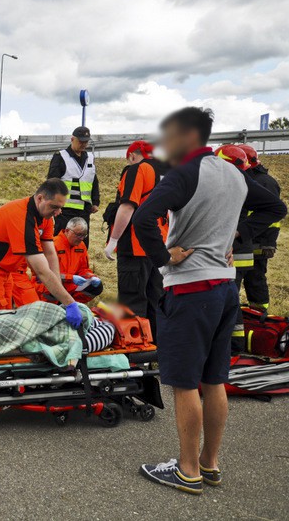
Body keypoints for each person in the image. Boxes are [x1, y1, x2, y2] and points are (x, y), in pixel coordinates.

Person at [134, 107, 285, 494]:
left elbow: (143, 218)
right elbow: (275, 207)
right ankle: (209, 463)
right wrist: (239, 236)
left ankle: (186, 470)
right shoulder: (233, 173)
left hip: (189, 289)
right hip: (223, 287)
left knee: (185, 383)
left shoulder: (183, 174)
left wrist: (166, 258)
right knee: (215, 378)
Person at [0, 178, 83, 329]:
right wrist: (69, 302)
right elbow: (41, 270)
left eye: (61, 208)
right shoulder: (21, 217)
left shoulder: (46, 217)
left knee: (5, 316)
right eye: (54, 207)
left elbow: (51, 254)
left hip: (5, 269)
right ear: (40, 198)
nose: (58, 212)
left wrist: (59, 289)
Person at [103, 140, 167, 341]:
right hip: (159, 247)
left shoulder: (137, 170)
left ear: (132, 155)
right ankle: (157, 348)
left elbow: (127, 207)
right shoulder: (167, 172)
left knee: (132, 302)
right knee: (156, 301)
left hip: (135, 246)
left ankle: (136, 356)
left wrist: (113, 241)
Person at [214, 144, 254, 353]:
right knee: (232, 299)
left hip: (233, 252)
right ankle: (234, 344)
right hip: (241, 250)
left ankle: (234, 345)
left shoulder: (235, 184)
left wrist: (236, 233)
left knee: (230, 301)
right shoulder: (244, 182)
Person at [239, 144, 281, 312]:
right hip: (253, 238)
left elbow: (269, 215)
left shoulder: (262, 182)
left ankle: (259, 315)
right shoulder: (259, 179)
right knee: (251, 278)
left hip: (258, 240)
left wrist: (266, 242)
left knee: (255, 279)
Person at [47, 126, 99, 246]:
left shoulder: (90, 158)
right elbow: (52, 183)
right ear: (72, 139)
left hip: (84, 210)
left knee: (82, 243)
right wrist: (55, 206)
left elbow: (93, 181)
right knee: (62, 241)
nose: (83, 144)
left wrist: (95, 202)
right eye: (80, 141)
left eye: (85, 142)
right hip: (65, 210)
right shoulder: (60, 157)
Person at [32, 216, 102, 303]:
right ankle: (56, 305)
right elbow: (44, 274)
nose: (81, 238)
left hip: (70, 284)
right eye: (78, 235)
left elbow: (83, 269)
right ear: (67, 231)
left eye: (84, 235)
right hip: (50, 284)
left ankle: (72, 304)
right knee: (53, 287)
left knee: (96, 287)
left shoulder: (81, 246)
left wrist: (91, 277)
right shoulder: (53, 245)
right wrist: (71, 278)